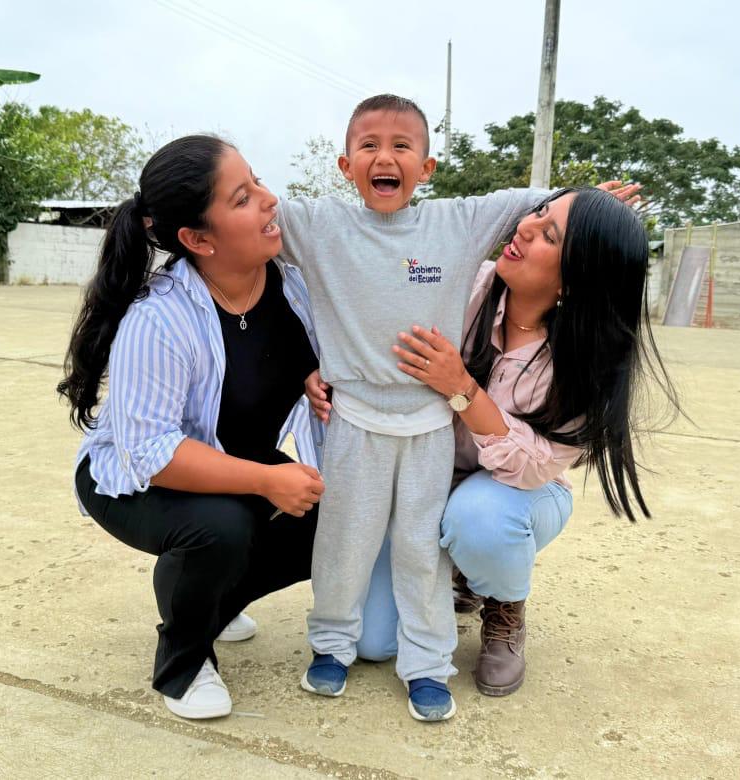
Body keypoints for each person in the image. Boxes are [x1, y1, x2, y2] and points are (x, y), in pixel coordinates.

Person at [277, 94, 640, 721]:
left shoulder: (459, 233)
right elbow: (266, 228)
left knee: (434, 543)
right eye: (368, 145)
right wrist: (319, 366)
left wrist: (461, 389)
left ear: (428, 168)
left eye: (402, 147)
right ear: (344, 163)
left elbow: (514, 203)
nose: (384, 157)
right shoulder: (449, 273)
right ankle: (332, 641)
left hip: (489, 478)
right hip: (364, 427)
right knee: (345, 550)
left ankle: (452, 642)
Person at [309, 186, 677, 697]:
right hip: (422, 481)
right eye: (537, 214)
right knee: (373, 642)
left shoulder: (586, 356)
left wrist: (461, 388)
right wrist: (327, 372)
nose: (524, 227)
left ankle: (502, 601)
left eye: (550, 235)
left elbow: (534, 466)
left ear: (578, 276)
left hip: (516, 495)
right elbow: (375, 311)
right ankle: (457, 573)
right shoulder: (462, 283)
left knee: (479, 521)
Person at [57, 135, 326, 720]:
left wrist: (313, 376)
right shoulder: (159, 317)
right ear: (199, 240)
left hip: (230, 459)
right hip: (131, 477)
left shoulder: (291, 285)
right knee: (223, 528)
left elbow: (303, 355)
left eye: (257, 182)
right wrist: (266, 480)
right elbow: (152, 452)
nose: (269, 200)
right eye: (242, 198)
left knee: (331, 516)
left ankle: (212, 603)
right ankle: (184, 658)